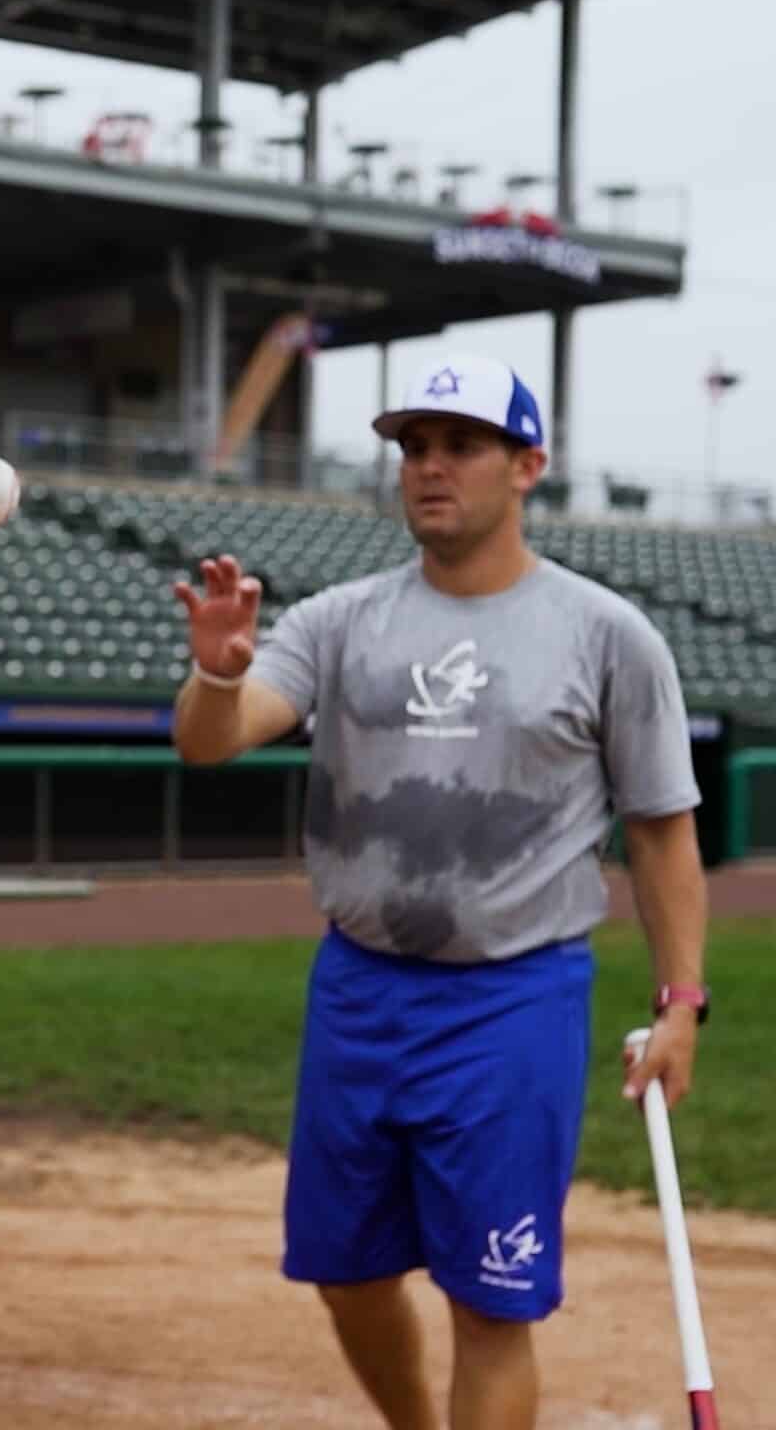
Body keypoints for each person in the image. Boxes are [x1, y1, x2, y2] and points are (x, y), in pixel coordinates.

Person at [168, 353, 710, 1430]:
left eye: (459, 445)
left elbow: (659, 832)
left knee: (489, 1299)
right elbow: (210, 745)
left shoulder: (607, 635)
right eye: (413, 447)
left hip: (515, 999)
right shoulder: (336, 622)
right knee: (345, 1273)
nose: (428, 467)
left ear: (527, 466)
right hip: (359, 991)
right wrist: (218, 671)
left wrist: (680, 1005)